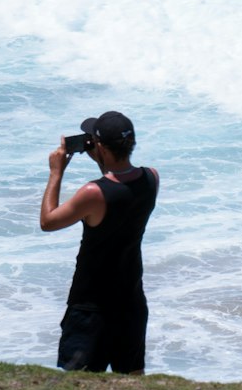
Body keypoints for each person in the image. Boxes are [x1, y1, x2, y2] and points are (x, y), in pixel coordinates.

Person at [40, 110, 158, 374]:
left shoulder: (93, 193)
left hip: (92, 307)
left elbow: (48, 221)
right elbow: (120, 185)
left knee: (80, 387)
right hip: (130, 302)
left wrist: (56, 172)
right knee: (132, 383)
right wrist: (103, 160)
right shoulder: (152, 179)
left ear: (100, 147)